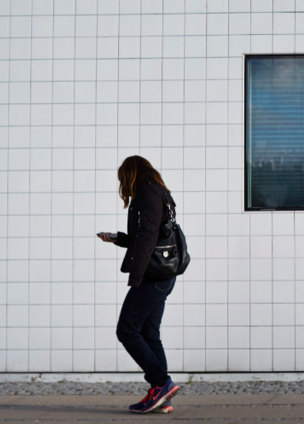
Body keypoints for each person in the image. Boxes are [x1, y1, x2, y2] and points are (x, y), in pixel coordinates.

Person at [97, 156, 181, 414]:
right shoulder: (159, 193)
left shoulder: (148, 194)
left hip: (152, 277)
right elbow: (148, 236)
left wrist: (136, 278)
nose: (123, 183)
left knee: (127, 330)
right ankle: (163, 397)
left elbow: (147, 239)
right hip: (162, 275)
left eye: (123, 177)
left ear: (131, 174)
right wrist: (118, 239)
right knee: (149, 334)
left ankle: (160, 383)